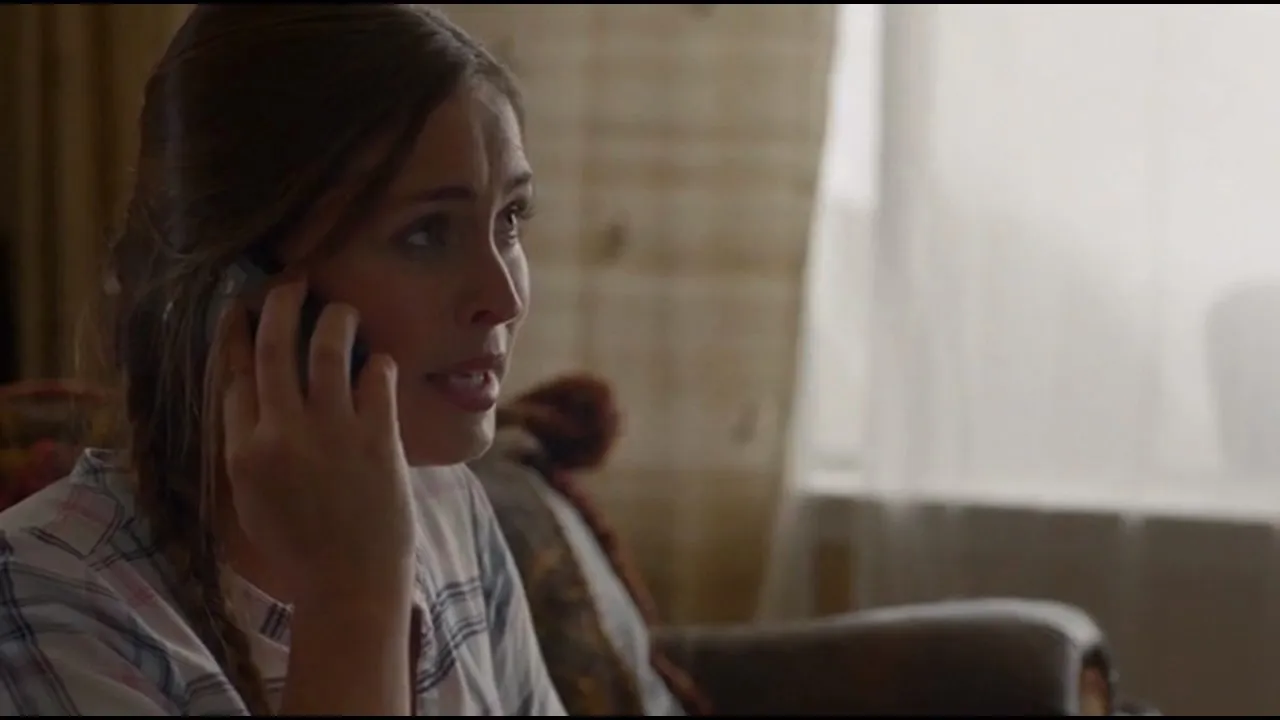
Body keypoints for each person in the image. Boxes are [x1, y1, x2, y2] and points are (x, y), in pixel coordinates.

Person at [0, 5, 566, 716]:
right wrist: (352, 596)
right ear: (237, 287)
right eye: (426, 233)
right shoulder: (39, 609)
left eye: (509, 219)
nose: (504, 298)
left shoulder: (446, 508)